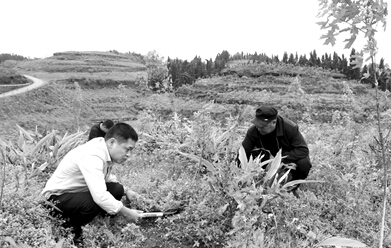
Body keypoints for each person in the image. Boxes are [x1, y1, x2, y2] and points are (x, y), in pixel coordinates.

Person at [41, 123, 144, 246]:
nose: (128, 155)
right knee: (93, 203)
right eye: (127, 149)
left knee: (117, 189)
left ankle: (100, 220)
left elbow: (105, 177)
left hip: (74, 193)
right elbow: (100, 196)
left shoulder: (102, 147)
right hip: (55, 199)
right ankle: (72, 231)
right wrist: (127, 212)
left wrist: (127, 191)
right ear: (112, 143)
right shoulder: (92, 156)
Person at [240, 106, 312, 191]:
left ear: (273, 122)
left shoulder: (290, 128)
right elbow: (243, 152)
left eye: (262, 126)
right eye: (257, 125)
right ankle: (261, 187)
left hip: (286, 160)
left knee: (304, 163)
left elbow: (303, 150)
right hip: (265, 160)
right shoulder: (253, 131)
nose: (258, 128)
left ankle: (290, 189)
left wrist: (279, 160)